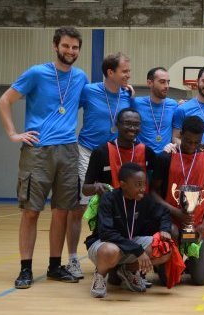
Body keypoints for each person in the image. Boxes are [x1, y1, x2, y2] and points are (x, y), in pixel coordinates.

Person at [0, 26, 89, 289]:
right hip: (38, 151)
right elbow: (4, 101)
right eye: (66, 46)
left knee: (61, 212)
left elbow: (92, 98)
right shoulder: (37, 73)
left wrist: (123, 89)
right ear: (55, 46)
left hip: (69, 150)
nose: (70, 51)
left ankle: (54, 266)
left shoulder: (80, 77)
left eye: (75, 47)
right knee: (31, 212)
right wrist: (14, 134)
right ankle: (25, 269)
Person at [67, 52, 133, 279]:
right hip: (87, 152)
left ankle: (116, 257)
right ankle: (73, 258)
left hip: (113, 155)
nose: (128, 74)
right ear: (110, 72)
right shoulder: (89, 90)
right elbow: (67, 110)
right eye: (124, 71)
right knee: (80, 207)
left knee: (116, 205)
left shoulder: (127, 95)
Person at [85, 163, 172, 298]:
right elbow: (107, 233)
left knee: (164, 248)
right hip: (105, 243)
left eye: (144, 184)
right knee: (110, 251)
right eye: (138, 185)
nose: (143, 189)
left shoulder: (144, 199)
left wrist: (165, 229)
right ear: (123, 184)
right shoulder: (109, 199)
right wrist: (138, 250)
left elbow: (164, 213)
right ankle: (100, 276)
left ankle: (129, 270)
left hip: (130, 243)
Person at [151, 115, 204, 285]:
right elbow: (152, 192)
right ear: (180, 134)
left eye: (197, 142)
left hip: (198, 223)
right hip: (172, 222)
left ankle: (187, 260)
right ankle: (164, 263)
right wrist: (175, 212)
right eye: (188, 141)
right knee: (169, 280)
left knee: (201, 280)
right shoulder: (166, 157)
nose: (192, 146)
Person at [133, 67, 178, 154]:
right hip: (143, 156)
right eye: (162, 82)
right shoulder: (136, 103)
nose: (167, 86)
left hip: (165, 156)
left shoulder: (173, 105)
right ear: (150, 83)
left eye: (168, 82)